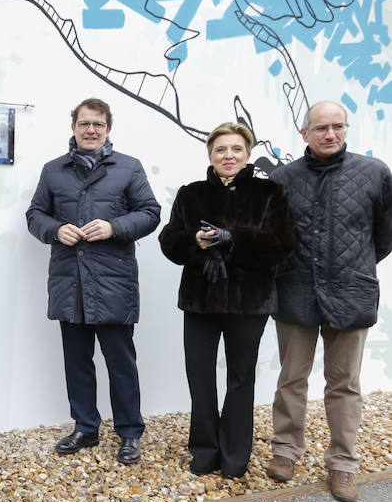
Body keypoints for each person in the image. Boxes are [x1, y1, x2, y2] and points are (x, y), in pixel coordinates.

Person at [266, 101, 392, 502]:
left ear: (346, 129)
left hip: (350, 292)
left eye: (338, 126)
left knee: (345, 384)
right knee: (291, 379)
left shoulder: (374, 173)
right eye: (321, 128)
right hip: (295, 290)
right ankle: (286, 451)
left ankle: (343, 464)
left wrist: (353, 264)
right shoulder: (282, 178)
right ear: (304, 133)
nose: (331, 134)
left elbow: (384, 235)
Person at [26, 97, 160, 464]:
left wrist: (115, 226)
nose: (90, 130)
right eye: (84, 123)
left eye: (97, 125)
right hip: (71, 284)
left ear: (108, 129)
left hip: (113, 284)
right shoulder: (54, 170)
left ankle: (130, 433)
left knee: (121, 363)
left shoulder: (128, 168)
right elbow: (35, 214)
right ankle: (85, 427)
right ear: (73, 127)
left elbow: (150, 213)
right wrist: (55, 230)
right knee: (77, 361)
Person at [158, 122, 294, 478]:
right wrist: (196, 242)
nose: (228, 156)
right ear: (210, 155)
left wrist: (232, 239)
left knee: (240, 377)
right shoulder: (191, 193)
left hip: (249, 301)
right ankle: (205, 449)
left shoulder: (270, 192)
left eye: (236, 149)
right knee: (200, 374)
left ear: (247, 154)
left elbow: (282, 244)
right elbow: (169, 241)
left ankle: (235, 453)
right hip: (200, 300)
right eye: (220, 150)